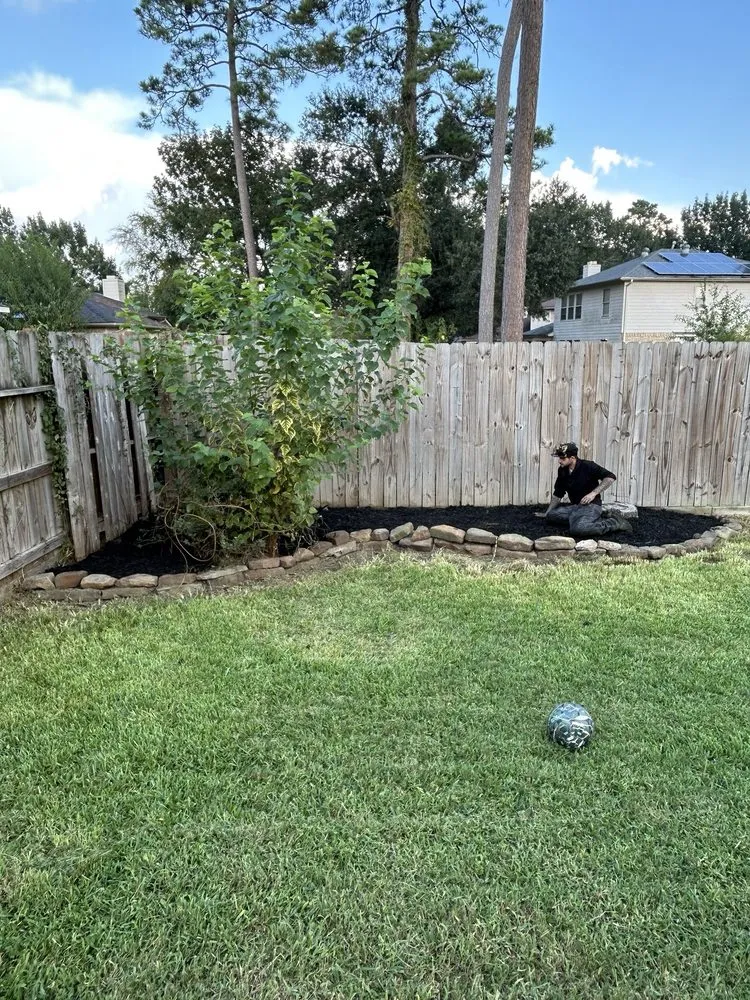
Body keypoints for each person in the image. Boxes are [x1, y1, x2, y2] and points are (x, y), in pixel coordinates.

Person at [537, 442, 633, 537]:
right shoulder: (562, 470)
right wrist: (547, 513)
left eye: (562, 458)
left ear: (572, 458)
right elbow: (558, 493)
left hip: (591, 506)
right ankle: (585, 519)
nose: (559, 461)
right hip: (576, 507)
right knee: (551, 515)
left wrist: (593, 493)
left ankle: (615, 522)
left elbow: (610, 477)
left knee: (578, 529)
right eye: (559, 458)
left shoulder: (588, 466)